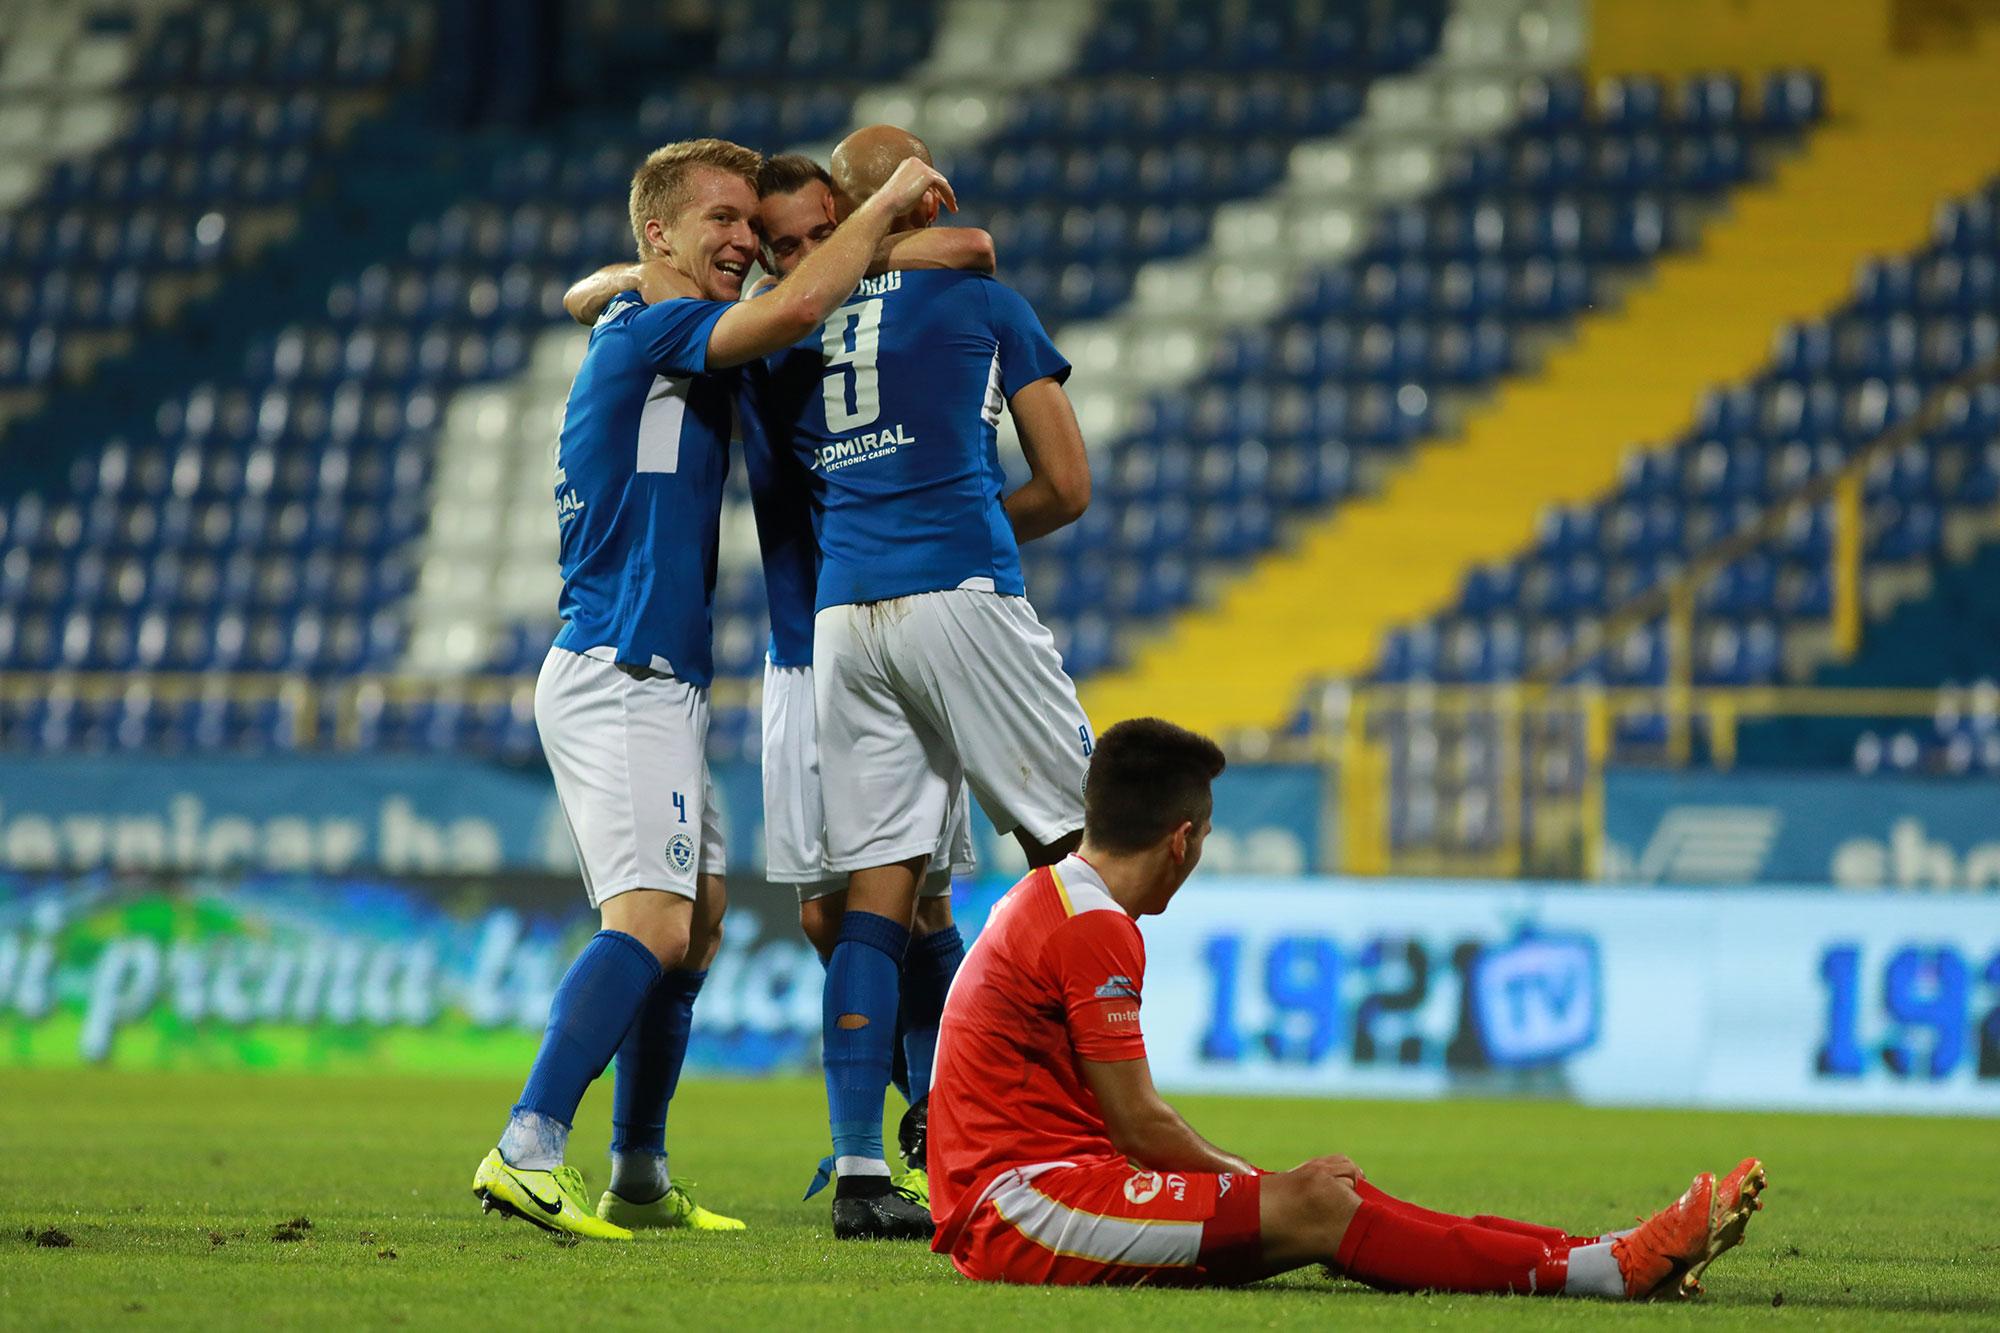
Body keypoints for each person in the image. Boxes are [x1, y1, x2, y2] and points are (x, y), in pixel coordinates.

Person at [471, 136, 957, 1241]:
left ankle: (636, 1170)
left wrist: (611, 278)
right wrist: (882, 205)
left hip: (657, 675)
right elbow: (790, 317)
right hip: (621, 667)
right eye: (724, 223)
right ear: (659, 234)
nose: (745, 242)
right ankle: (526, 1145)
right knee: (649, 921)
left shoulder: (640, 319)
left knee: (697, 930)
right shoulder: (657, 329)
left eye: (755, 226)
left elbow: (600, 292)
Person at [928, 716, 1768, 1296]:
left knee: (1335, 1196)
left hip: (1046, 1190)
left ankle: (1605, 1256)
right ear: (1182, 838)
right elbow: (1140, 1125)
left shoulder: (1052, 898)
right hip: (1022, 1210)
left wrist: (1280, 1191)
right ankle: (1608, 1269)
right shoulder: (1094, 928)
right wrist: (1266, 1185)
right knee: (1320, 1202)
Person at [750, 123, 1096, 1241]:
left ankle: (862, 1164)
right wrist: (973, 522)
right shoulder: (986, 302)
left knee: (877, 896)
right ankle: (1087, 1115)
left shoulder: (801, 327)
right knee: (1083, 852)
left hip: (844, 618)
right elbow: (1068, 483)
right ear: (910, 203)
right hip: (956, 583)